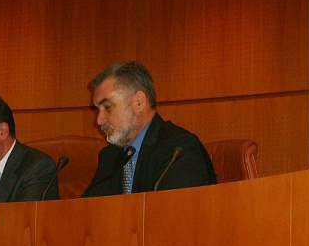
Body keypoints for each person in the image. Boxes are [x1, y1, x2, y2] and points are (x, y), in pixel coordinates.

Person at [82, 61, 217, 198]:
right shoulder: (110, 156)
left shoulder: (178, 150)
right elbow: (87, 211)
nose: (99, 120)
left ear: (139, 102)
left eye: (108, 107)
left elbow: (176, 213)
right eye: (98, 110)